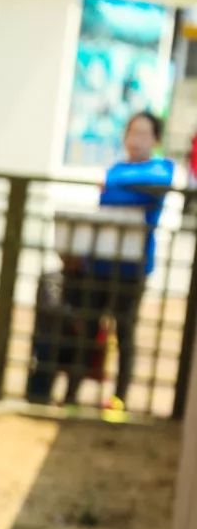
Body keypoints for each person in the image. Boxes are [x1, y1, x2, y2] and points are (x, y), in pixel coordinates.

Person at [63, 110, 174, 414]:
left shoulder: (161, 169)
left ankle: (118, 399)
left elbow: (142, 189)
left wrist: (114, 187)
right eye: (132, 132)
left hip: (132, 268)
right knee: (89, 329)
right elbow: (116, 192)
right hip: (100, 264)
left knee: (124, 332)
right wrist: (116, 187)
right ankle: (71, 395)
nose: (136, 139)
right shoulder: (116, 169)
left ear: (156, 139)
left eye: (143, 133)